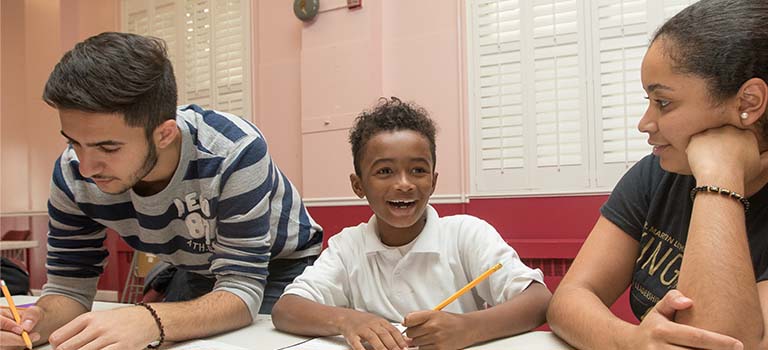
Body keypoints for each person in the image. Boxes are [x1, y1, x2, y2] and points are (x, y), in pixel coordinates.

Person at [546, 0, 768, 349]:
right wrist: (629, 342)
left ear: (748, 102)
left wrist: (719, 177)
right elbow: (568, 299)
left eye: (663, 102)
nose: (644, 124)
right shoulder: (658, 173)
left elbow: (716, 345)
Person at [0, 32, 323, 349]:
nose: (85, 167)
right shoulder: (72, 172)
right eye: (74, 142)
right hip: (197, 268)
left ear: (164, 134)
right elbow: (68, 289)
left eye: (108, 148)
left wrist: (148, 318)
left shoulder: (233, 151)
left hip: (280, 266)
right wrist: (36, 321)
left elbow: (241, 289)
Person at [272, 97, 551, 350]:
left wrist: (469, 328)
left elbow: (539, 300)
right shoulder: (348, 247)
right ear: (359, 186)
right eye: (384, 171)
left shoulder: (466, 234)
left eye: (418, 170)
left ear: (433, 181)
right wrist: (348, 321)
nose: (404, 184)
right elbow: (286, 309)